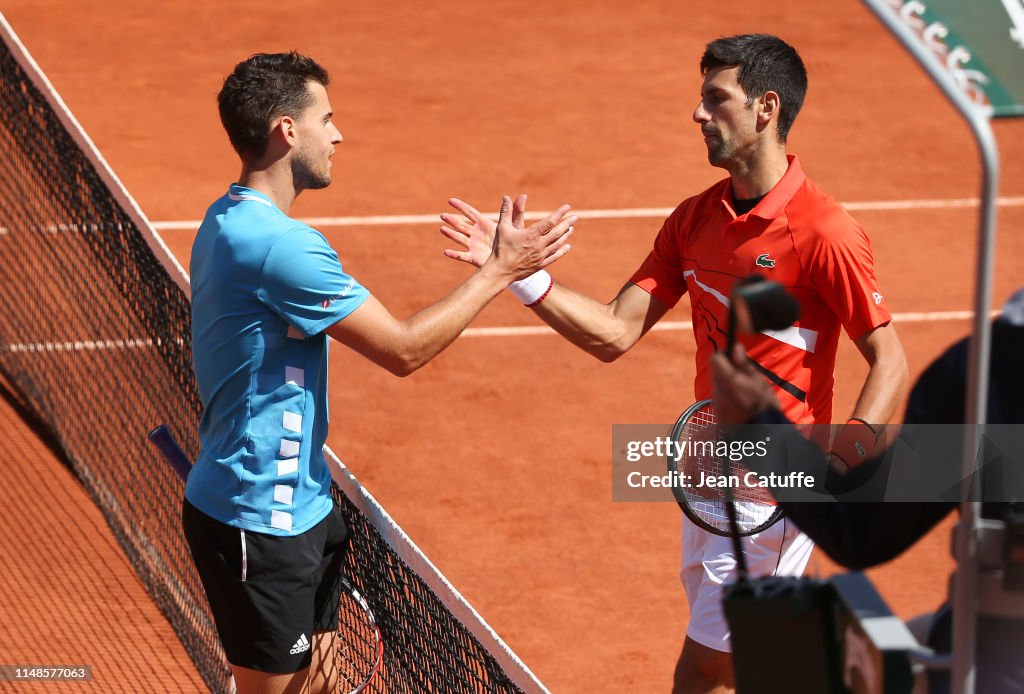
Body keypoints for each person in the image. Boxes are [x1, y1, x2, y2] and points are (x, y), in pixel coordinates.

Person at [439, 34, 908, 693]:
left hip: (771, 496)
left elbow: (889, 358)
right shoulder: (693, 221)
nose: (697, 114)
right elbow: (614, 332)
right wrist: (518, 277)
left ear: (766, 107)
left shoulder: (824, 232)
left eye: (716, 99)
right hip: (707, 480)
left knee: (704, 666)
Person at [182, 51, 575, 694]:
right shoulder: (283, 246)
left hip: (303, 504)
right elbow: (404, 350)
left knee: (326, 681)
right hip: (260, 518)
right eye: (327, 119)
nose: (338, 135)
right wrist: (501, 270)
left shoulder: (227, 217)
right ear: (287, 131)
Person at [710, 286, 1024, 692]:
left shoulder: (981, 374)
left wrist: (759, 426)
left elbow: (857, 532)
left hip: (994, 657)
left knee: (854, 664)